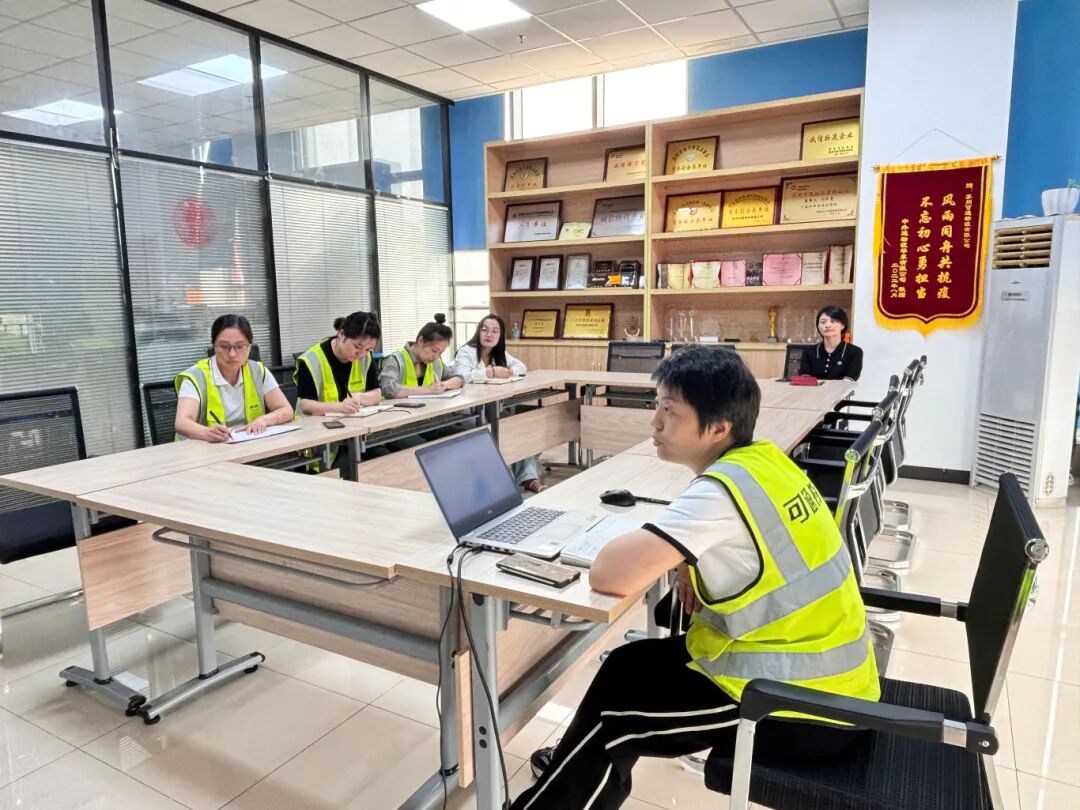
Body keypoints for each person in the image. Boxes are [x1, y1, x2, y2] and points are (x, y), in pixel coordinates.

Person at [514, 346, 878, 810]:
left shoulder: (719, 494)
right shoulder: (763, 462)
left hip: (799, 707)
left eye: (669, 411)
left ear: (719, 428)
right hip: (821, 676)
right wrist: (682, 556)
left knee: (613, 715)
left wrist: (675, 550)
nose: (654, 423)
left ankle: (558, 787)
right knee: (624, 667)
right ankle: (572, 769)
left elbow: (609, 576)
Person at [453, 313, 545, 493]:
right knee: (490, 432)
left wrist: (508, 371)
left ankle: (529, 478)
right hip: (468, 413)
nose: (489, 334)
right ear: (478, 332)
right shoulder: (466, 351)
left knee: (515, 427)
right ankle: (497, 483)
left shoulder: (499, 352)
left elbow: (521, 367)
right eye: (485, 330)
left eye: (495, 331)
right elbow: (461, 376)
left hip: (491, 409)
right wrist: (492, 372)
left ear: (500, 335)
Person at [174, 314, 293, 442]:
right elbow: (182, 423)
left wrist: (264, 420)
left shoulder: (258, 371)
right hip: (205, 448)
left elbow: (287, 410)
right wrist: (207, 432)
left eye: (240, 346)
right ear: (214, 346)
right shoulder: (196, 377)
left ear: (249, 347)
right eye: (224, 347)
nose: (232, 354)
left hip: (250, 445)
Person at [294, 311, 382, 416]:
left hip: (352, 422)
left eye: (367, 349)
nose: (361, 354)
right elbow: (306, 405)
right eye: (357, 347)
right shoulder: (311, 360)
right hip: (314, 424)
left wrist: (360, 397)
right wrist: (339, 407)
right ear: (341, 334)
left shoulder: (366, 358)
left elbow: (377, 394)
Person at [379, 313, 464, 399]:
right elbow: (387, 388)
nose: (436, 357)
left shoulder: (436, 363)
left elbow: (459, 379)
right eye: (434, 350)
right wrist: (428, 390)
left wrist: (444, 385)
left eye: (440, 353)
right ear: (421, 340)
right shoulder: (396, 360)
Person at [799, 305, 863, 381]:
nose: (827, 325)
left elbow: (848, 382)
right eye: (823, 322)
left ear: (843, 325)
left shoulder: (855, 352)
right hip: (812, 389)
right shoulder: (809, 352)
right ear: (818, 326)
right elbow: (804, 380)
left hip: (841, 389)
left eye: (833, 321)